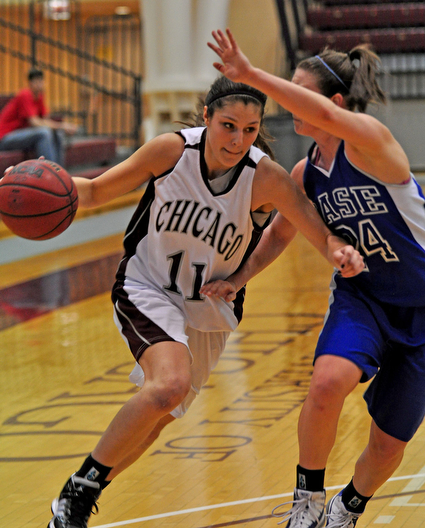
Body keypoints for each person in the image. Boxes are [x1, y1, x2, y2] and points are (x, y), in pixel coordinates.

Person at [47, 75, 363, 528]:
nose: (238, 140)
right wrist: (48, 183)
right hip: (147, 285)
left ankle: (82, 493)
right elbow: (96, 191)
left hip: (208, 306)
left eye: (250, 130)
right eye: (228, 125)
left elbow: (308, 228)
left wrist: (337, 252)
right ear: (207, 117)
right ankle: (75, 495)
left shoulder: (264, 177)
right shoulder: (171, 152)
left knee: (159, 416)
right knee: (168, 385)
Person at [205, 28, 425, 528]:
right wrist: (238, 278)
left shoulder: (371, 142)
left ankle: (348, 506)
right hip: (364, 296)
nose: (289, 103)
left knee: (389, 444)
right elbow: (281, 235)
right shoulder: (308, 171)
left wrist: (249, 74)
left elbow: (325, 118)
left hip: (422, 306)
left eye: (298, 92)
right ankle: (306, 502)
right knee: (327, 383)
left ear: (335, 102)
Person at [0, 68, 77, 166]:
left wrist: (60, 127)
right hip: (5, 138)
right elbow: (35, 122)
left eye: (41, 81)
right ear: (30, 83)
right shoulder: (25, 95)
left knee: (56, 132)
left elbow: (45, 120)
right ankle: (48, 172)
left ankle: (58, 171)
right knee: (44, 133)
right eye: (36, 81)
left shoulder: (39, 97)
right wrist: (62, 126)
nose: (39, 84)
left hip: (22, 135)